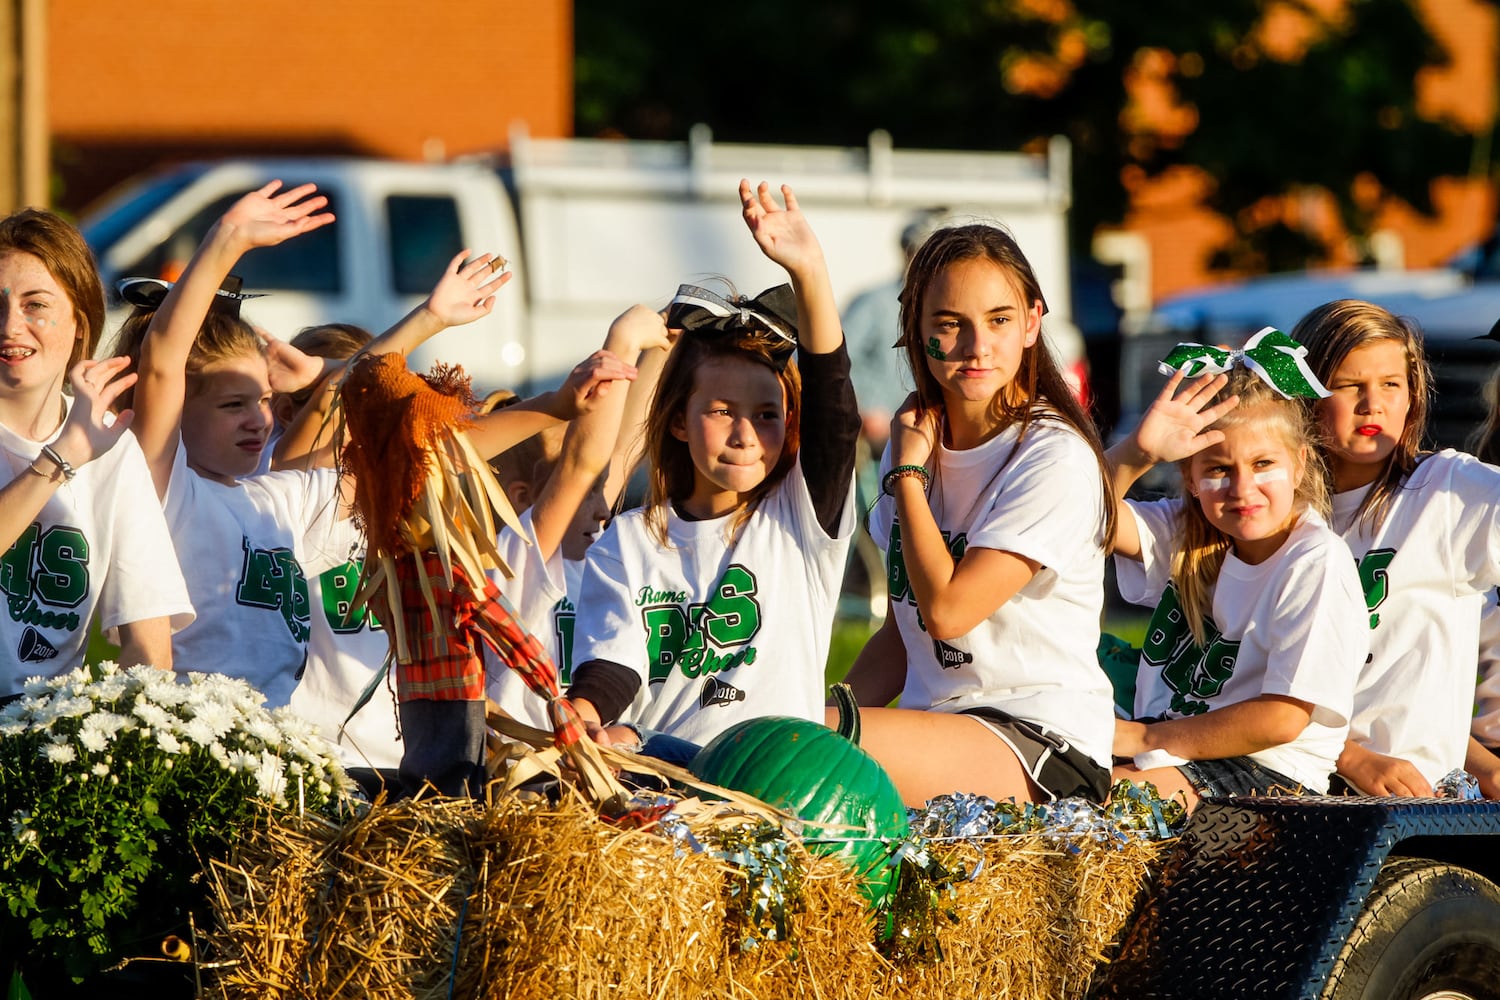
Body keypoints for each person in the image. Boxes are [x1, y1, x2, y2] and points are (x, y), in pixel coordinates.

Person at [565, 180, 858, 750]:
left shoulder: (799, 519)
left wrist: (810, 272)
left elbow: (836, 410)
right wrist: (580, 712)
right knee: (620, 741)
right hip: (667, 775)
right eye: (722, 411)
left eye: (767, 414)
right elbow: (613, 666)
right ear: (678, 420)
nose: (746, 434)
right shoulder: (625, 542)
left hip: (778, 775)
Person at [840, 222, 1117, 808]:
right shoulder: (912, 444)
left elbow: (946, 612)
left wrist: (909, 479)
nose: (976, 346)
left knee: (804, 757)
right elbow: (905, 630)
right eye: (949, 324)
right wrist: (821, 710)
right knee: (779, 741)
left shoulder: (1054, 455)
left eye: (998, 320)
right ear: (917, 331)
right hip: (940, 728)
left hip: (1040, 742)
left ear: (1032, 323)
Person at [1107, 339, 1367, 811]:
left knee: (1100, 804)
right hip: (1170, 752)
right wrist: (1137, 452)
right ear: (1189, 476)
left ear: (1300, 463)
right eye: (1219, 469)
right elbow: (1072, 515)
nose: (1242, 488)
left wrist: (1142, 736)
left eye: (1263, 463)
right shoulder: (1187, 532)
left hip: (1271, 779)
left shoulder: (1314, 560)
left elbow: (1281, 719)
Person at [1292, 299, 1500, 796]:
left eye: (1391, 384)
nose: (1373, 404)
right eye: (1349, 385)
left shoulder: (1448, 491)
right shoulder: (1267, 506)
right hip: (1290, 784)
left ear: (1413, 396)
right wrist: (1351, 756)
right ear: (1304, 394)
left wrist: (1481, 763)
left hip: (1409, 805)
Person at [0, 209, 192, 693]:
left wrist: (114, 743)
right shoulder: (80, 445)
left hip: (45, 741)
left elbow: (149, 648)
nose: (10, 326)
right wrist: (61, 457)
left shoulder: (113, 447)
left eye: (35, 305)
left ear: (79, 327)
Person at [487, 304, 671, 732]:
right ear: (525, 497)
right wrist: (621, 346)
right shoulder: (512, 566)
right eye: (590, 492)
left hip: (591, 764)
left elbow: (620, 450)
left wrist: (668, 342)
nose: (604, 507)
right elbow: (581, 463)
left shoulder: (591, 551)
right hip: (524, 776)